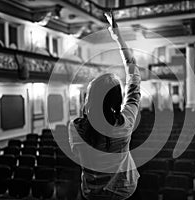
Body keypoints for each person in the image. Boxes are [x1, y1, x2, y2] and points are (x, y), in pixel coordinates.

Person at [69, 12, 141, 200]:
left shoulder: (76, 128)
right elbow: (134, 79)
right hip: (122, 191)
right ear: (117, 100)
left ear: (89, 98)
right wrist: (118, 39)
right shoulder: (125, 124)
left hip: (91, 192)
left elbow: (78, 154)